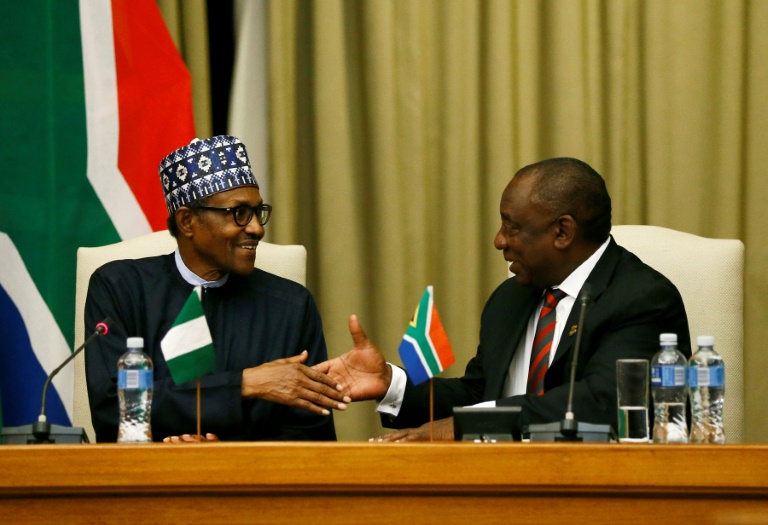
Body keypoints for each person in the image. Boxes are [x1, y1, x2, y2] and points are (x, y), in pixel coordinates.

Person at [315, 157, 691, 440]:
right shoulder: (512, 298)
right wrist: (391, 383)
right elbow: (482, 394)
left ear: (562, 231)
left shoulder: (643, 299)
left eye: (511, 226)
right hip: (492, 484)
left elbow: (602, 404)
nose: (499, 240)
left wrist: (466, 426)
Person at [85, 135, 348, 443]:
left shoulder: (291, 305)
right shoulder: (120, 287)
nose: (257, 228)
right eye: (239, 213)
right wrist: (245, 384)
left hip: (251, 484)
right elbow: (111, 411)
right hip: (143, 481)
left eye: (258, 211)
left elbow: (310, 436)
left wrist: (226, 457)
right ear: (187, 222)